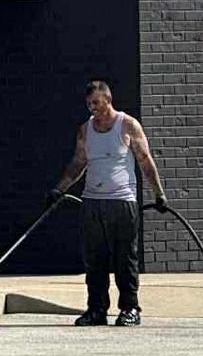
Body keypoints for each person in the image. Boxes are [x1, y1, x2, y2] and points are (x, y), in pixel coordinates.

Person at [47, 80, 169, 327]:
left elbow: (145, 161)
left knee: (125, 259)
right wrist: (59, 189)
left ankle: (130, 309)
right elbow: (78, 164)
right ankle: (96, 309)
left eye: (96, 103)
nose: (92, 108)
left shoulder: (127, 125)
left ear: (108, 100)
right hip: (93, 203)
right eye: (89, 104)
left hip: (122, 202)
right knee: (95, 260)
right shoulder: (86, 130)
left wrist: (159, 194)